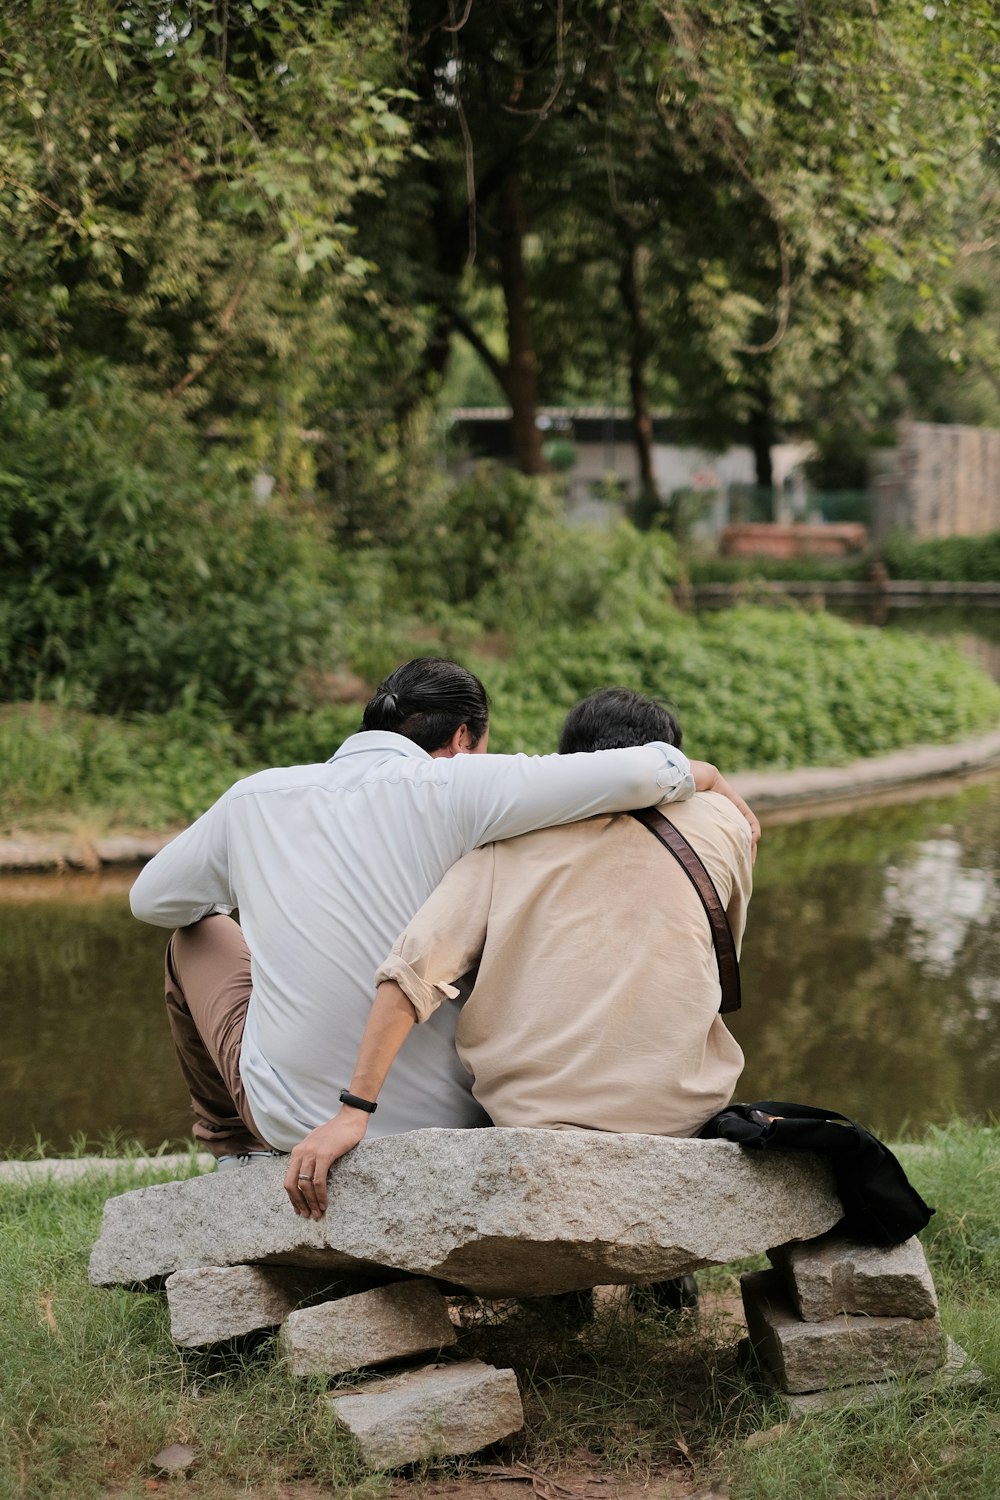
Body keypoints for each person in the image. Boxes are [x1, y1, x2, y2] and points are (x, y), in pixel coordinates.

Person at [131, 659, 759, 1167]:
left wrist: (278, 904)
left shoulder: (255, 798)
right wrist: (709, 777)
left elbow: (153, 900)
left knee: (195, 932)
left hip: (295, 1115)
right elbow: (636, 769)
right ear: (463, 739)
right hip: (461, 1114)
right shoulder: (466, 787)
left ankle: (233, 1151)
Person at [284, 687, 752, 1220]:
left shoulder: (509, 836)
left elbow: (411, 973)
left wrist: (355, 1111)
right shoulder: (726, 826)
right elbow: (720, 960)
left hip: (536, 1117)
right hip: (683, 1107)